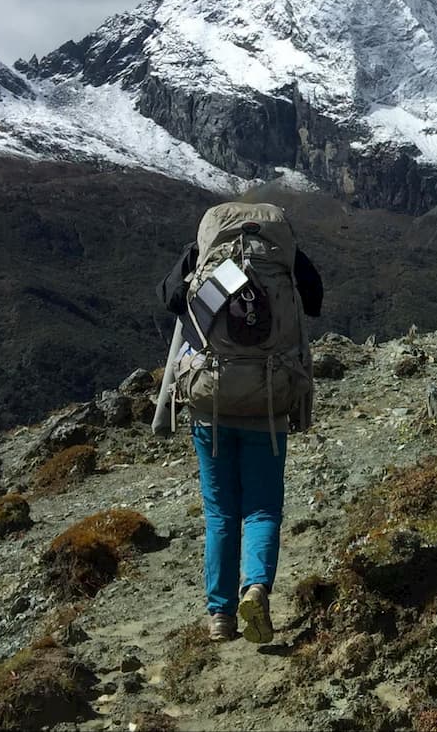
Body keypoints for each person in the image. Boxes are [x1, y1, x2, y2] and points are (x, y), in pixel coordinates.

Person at [157, 202, 323, 643]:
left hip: (210, 399)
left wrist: (201, 268)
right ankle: (255, 588)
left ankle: (221, 617)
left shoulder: (204, 252)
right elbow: (316, 299)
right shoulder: (282, 253)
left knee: (220, 513)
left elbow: (170, 297)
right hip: (268, 401)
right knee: (263, 508)